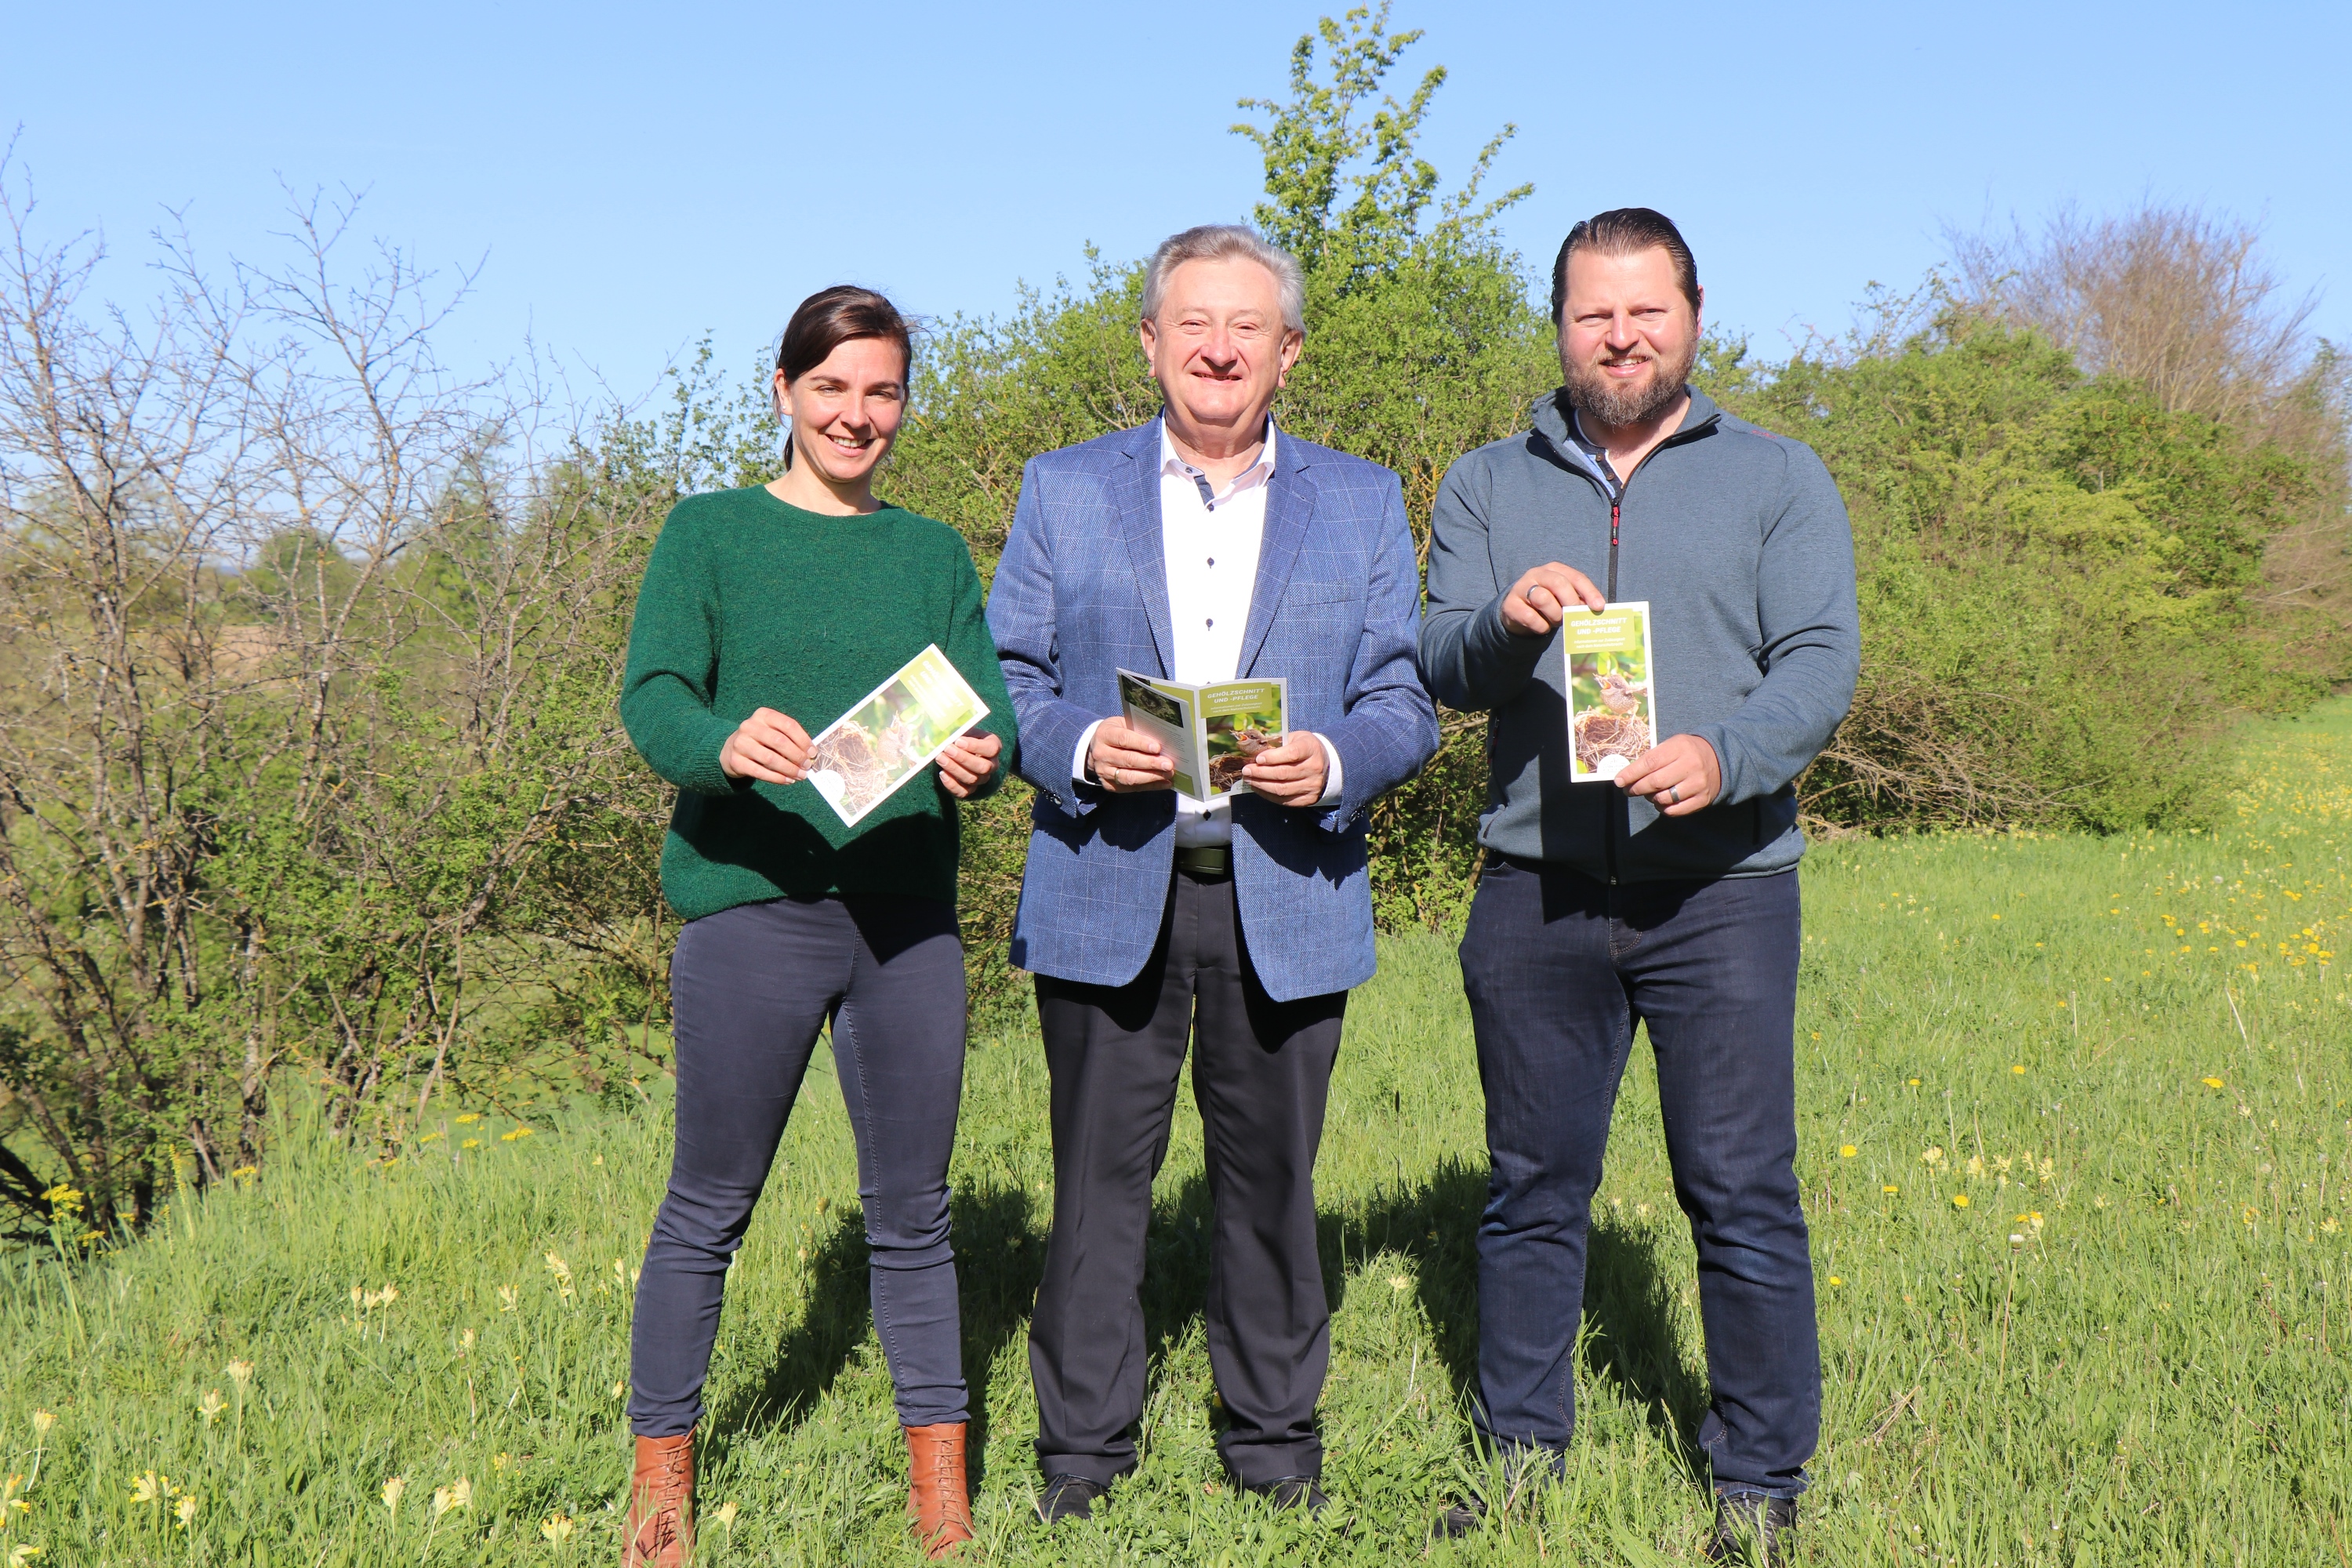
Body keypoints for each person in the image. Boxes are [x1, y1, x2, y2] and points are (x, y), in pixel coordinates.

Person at [1419, 209, 1860, 1566]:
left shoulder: (1780, 477)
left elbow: (1821, 663)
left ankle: (1759, 1484)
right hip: (1533, 889)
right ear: (1558, 324)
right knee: (1531, 1188)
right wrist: (1504, 626)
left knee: (1739, 1189)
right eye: (1593, 314)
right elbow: (1435, 665)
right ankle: (1520, 1464)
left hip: (1723, 889)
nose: (1619, 336)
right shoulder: (1490, 483)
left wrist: (1723, 757)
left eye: (1645, 311)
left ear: (1694, 313)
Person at [987, 224, 1439, 1520]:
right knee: (1093, 1194)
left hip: (1286, 891)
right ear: (1148, 341)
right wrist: (1080, 741)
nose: (1218, 348)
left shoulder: (1357, 499)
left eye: (1248, 327)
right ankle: (1081, 1462)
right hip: (1105, 881)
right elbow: (1004, 678)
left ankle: (1275, 1447)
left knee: (1272, 1188)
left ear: (1288, 352)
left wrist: (1336, 761)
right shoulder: (1063, 487)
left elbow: (1401, 695)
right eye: (1193, 323)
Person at [615, 285, 1017, 1566]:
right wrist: (721, 743)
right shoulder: (709, 533)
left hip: (907, 925)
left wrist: (981, 760)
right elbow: (652, 696)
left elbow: (987, 708)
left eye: (883, 391)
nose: (860, 415)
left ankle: (941, 1503)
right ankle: (661, 1492)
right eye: (834, 388)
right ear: (783, 391)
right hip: (753, 914)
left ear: (904, 403)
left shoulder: (933, 553)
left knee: (914, 1213)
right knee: (707, 1207)